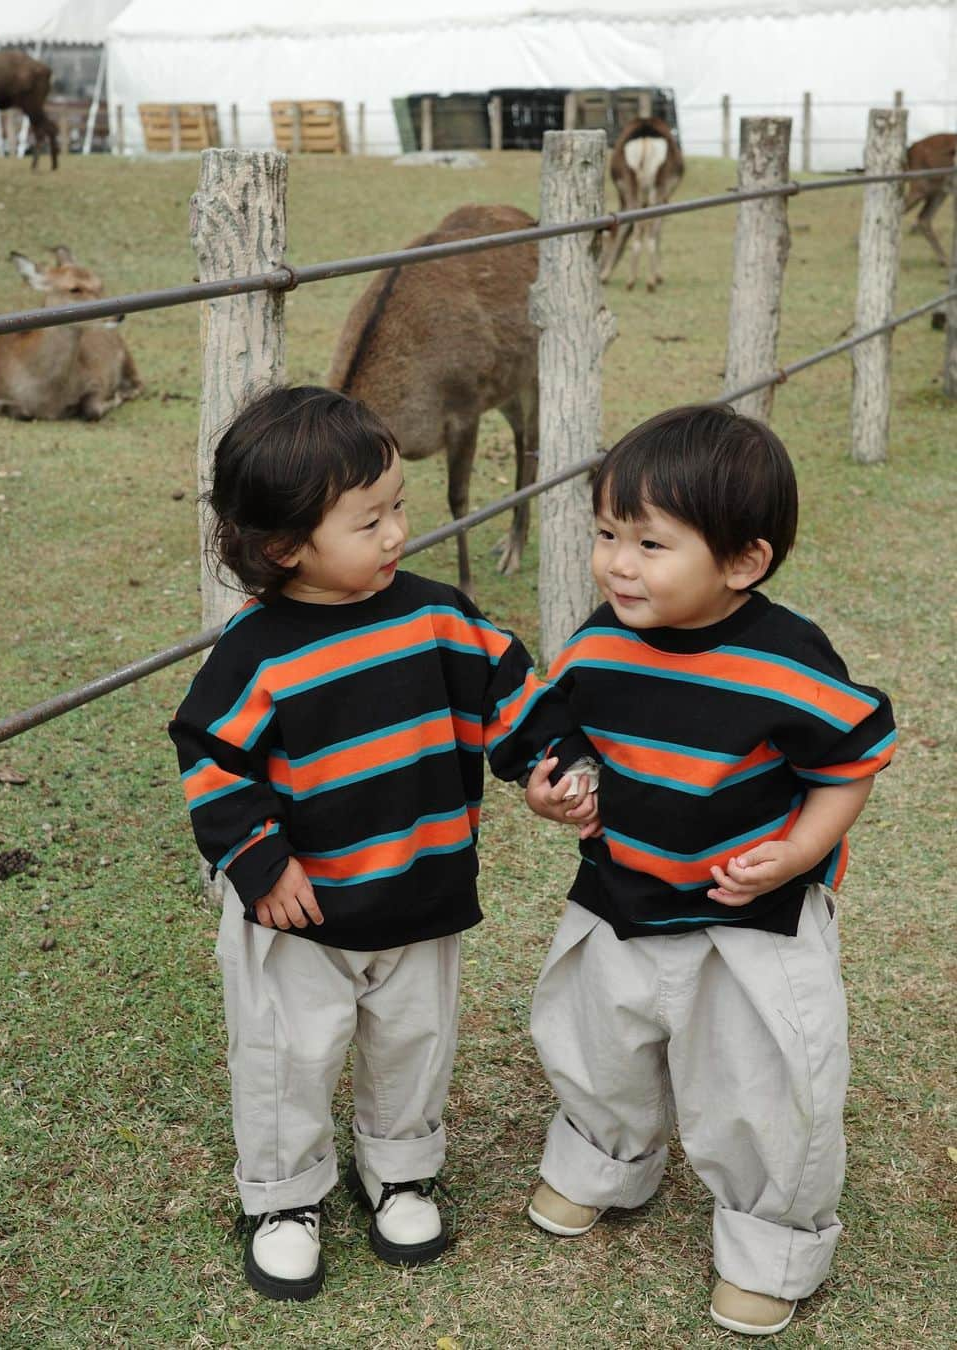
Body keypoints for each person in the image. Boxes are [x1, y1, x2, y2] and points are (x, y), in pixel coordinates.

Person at [168, 385, 596, 1302]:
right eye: (370, 520)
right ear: (284, 546)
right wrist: (257, 861)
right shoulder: (256, 652)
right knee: (288, 1055)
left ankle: (400, 1170)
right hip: (299, 911)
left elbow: (513, 692)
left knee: (414, 1041)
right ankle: (285, 1197)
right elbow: (210, 755)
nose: (398, 531)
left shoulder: (440, 616)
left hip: (419, 892)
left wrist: (551, 765)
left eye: (398, 506)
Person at [524, 404, 895, 1336]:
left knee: (761, 1083)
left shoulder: (787, 660)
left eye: (652, 542)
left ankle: (772, 1243)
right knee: (591, 1039)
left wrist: (803, 853)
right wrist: (558, 788)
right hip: (621, 893)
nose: (617, 563)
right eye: (608, 533)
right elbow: (566, 735)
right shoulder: (600, 638)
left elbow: (848, 765)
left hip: (749, 913)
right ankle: (607, 1161)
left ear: (743, 562)